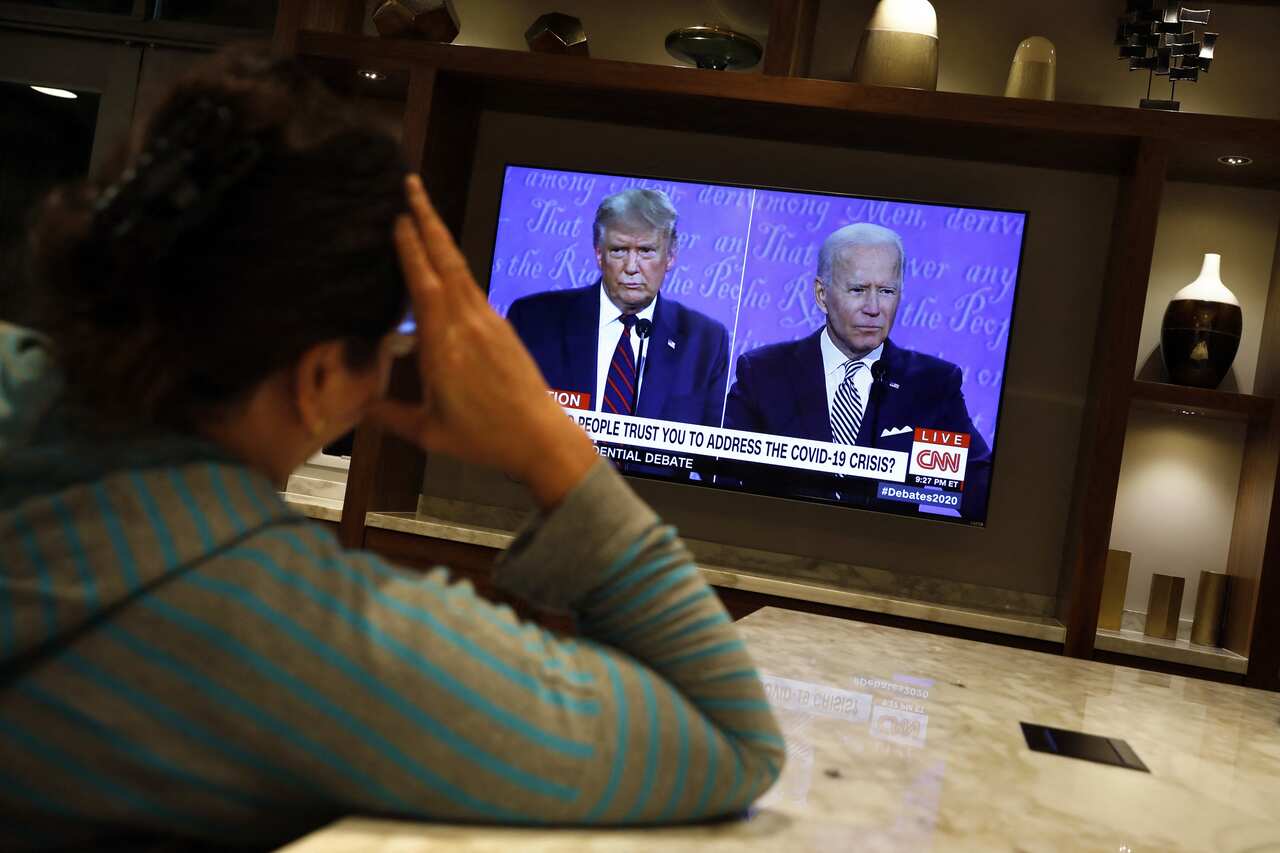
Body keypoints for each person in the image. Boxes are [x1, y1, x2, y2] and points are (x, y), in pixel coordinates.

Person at [0, 49, 782, 850]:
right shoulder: (309, 642)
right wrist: (550, 442)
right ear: (318, 377)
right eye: (389, 341)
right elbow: (731, 735)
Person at [723, 223, 991, 519]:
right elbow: (724, 482)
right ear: (821, 294)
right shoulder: (763, 373)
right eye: (858, 290)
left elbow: (980, 493)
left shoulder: (931, 385)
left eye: (887, 291)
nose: (874, 308)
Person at [506, 189, 730, 427]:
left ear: (671, 256)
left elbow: (706, 456)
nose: (631, 267)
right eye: (619, 250)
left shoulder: (706, 342)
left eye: (646, 251)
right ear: (599, 254)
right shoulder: (533, 321)